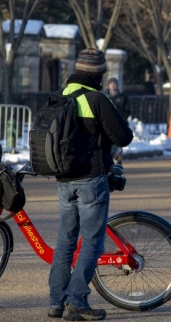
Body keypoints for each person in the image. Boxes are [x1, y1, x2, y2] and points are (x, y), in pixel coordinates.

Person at [48, 48, 133, 321]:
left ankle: (56, 302)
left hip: (64, 180)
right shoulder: (97, 99)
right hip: (91, 180)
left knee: (65, 242)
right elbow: (124, 135)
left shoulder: (60, 97)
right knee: (93, 243)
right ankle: (76, 301)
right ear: (98, 73)